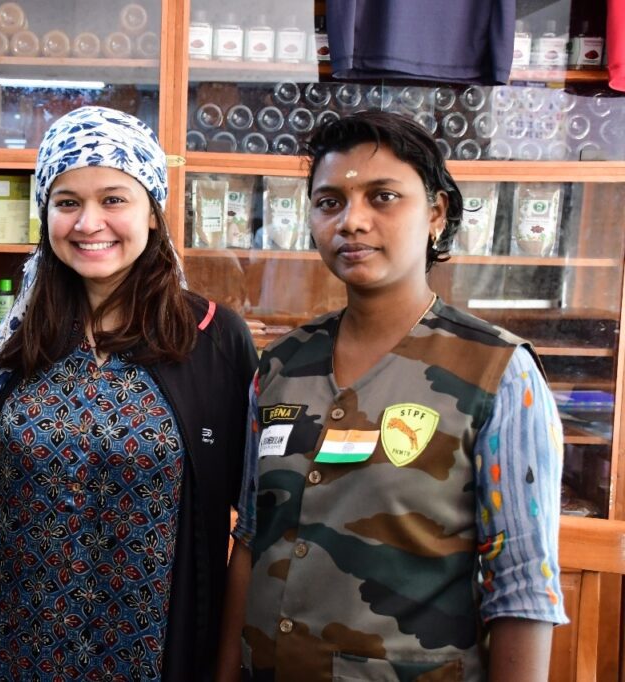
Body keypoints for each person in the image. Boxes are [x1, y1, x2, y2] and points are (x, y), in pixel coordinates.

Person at [218, 111, 568, 681]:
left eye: (382, 197)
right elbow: (250, 541)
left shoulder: (497, 371)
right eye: (329, 202)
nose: (352, 221)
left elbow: (522, 587)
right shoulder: (281, 365)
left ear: (436, 213)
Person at [0, 106, 258, 680]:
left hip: (149, 650)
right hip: (4, 647)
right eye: (67, 203)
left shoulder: (212, 337)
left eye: (113, 199)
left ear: (152, 214)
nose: (88, 223)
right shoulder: (26, 332)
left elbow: (248, 512)